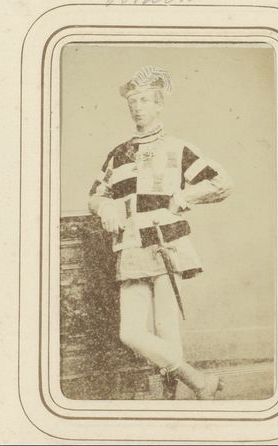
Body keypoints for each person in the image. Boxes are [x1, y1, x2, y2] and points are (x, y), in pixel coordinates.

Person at [88, 66, 233, 400]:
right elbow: (96, 194)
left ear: (158, 104)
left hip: (166, 243)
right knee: (131, 332)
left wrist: (185, 196)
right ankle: (199, 382)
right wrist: (106, 207)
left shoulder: (178, 148)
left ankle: (172, 404)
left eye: (143, 101)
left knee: (168, 330)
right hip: (130, 247)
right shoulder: (118, 154)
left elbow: (221, 182)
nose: (137, 107)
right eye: (132, 102)